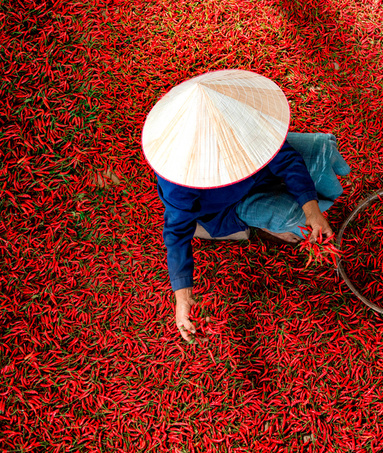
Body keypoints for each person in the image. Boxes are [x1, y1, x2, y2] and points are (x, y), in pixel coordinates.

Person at [142, 70, 350, 341]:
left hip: (260, 170)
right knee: (291, 218)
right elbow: (176, 234)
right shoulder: (181, 181)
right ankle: (227, 228)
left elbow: (286, 160)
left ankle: (319, 204)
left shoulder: (246, 124)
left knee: (321, 149)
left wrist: (313, 210)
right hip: (226, 206)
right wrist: (183, 297)